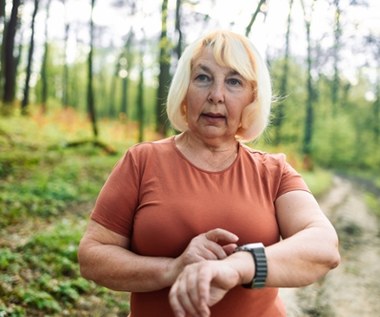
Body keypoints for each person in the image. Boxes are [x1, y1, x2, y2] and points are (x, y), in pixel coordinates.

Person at [78, 30, 340, 317]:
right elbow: (92, 257)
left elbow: (324, 247)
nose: (216, 95)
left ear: (252, 97)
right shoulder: (141, 161)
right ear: (184, 89)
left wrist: (237, 266)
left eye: (234, 82)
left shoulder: (273, 171)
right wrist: (173, 268)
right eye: (203, 78)